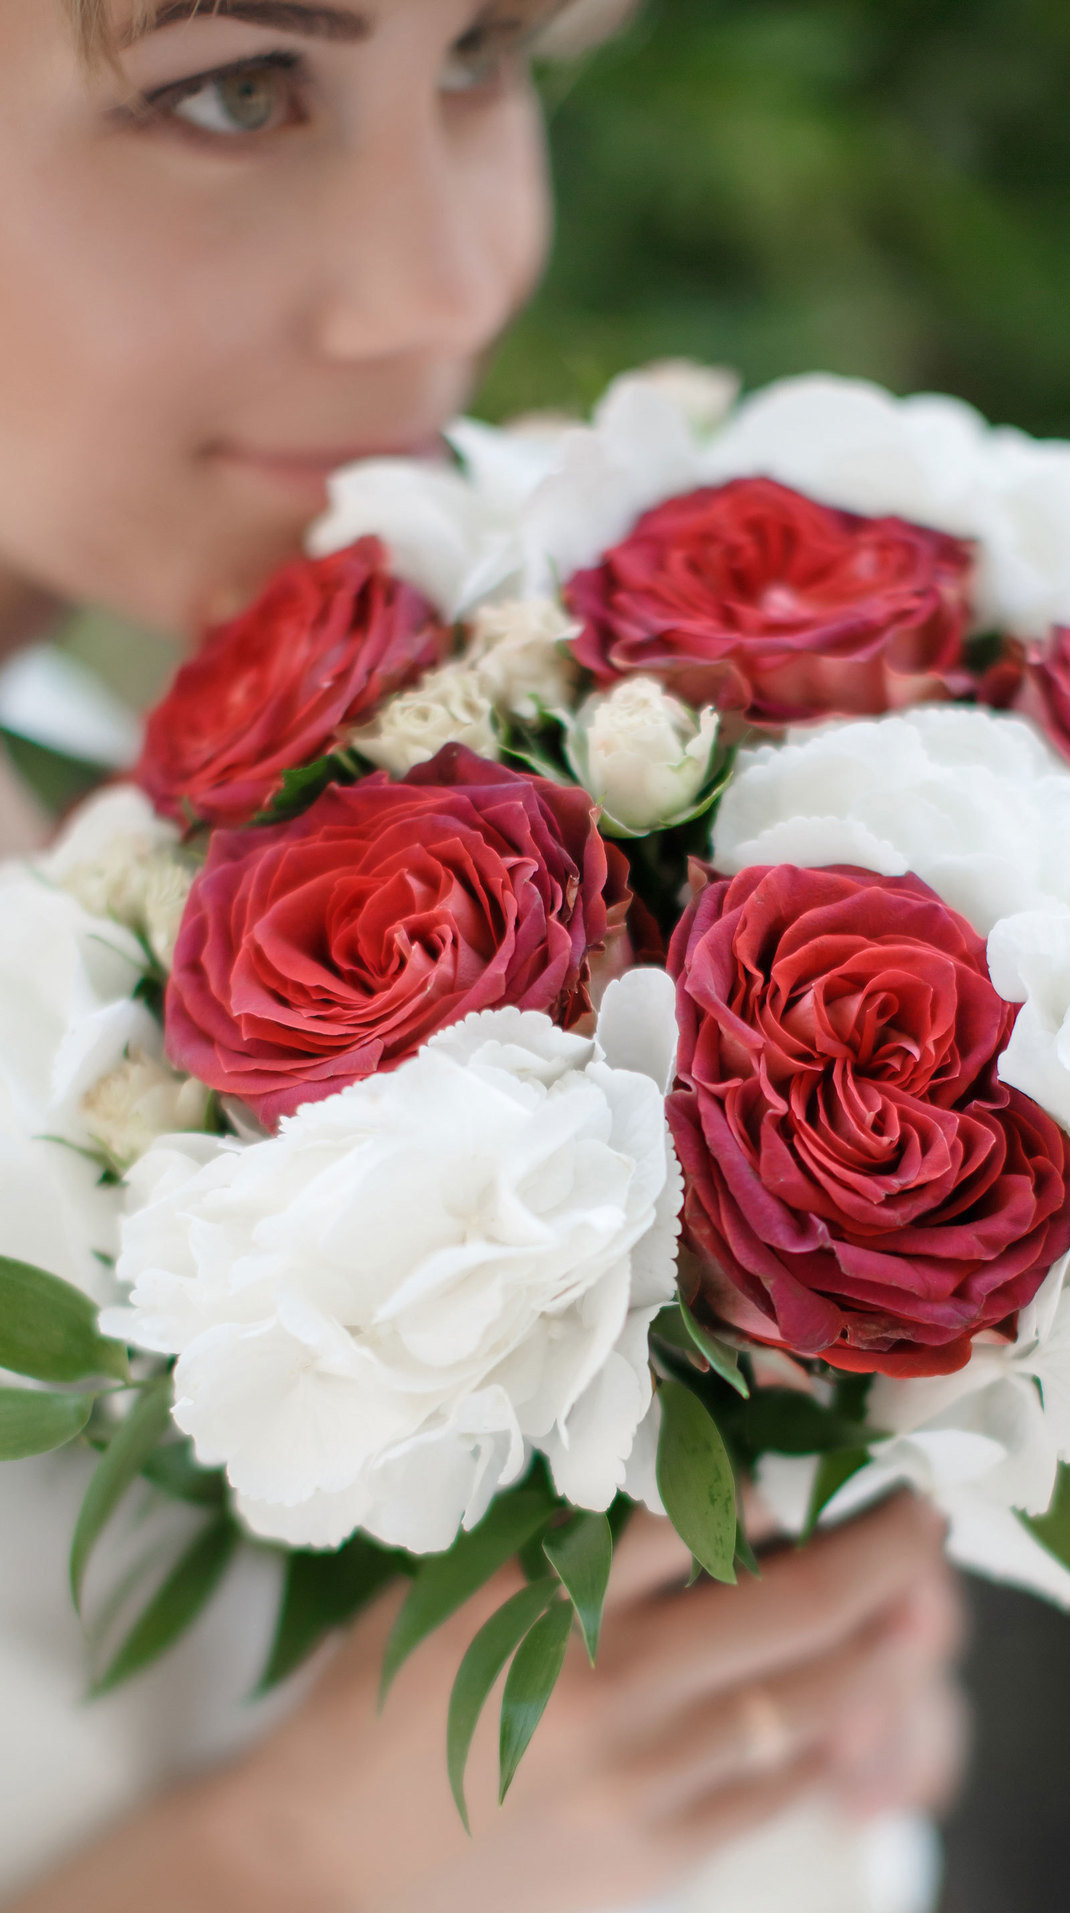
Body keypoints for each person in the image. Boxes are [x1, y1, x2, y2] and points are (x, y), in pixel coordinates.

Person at [0, 3, 966, 1906]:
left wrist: (782, 1725)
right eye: (231, 87)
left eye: (483, 56)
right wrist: (284, 1868)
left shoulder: (183, 812)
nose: (442, 283)